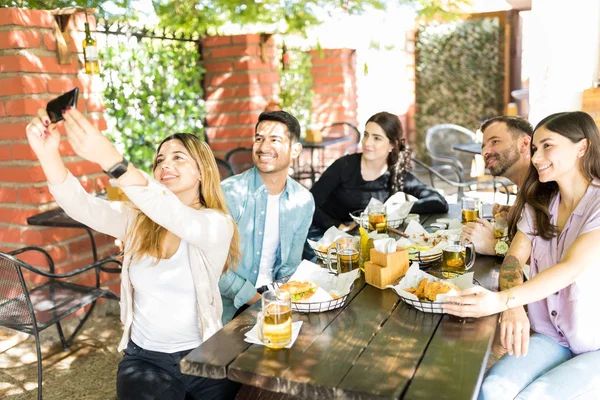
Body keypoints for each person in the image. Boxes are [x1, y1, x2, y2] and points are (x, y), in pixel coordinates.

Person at [25, 108, 241, 400]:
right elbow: (81, 206)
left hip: (205, 353)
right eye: (160, 160)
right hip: (146, 359)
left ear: (202, 171)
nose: (165, 164)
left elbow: (174, 214)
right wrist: (47, 154)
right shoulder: (135, 221)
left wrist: (112, 159)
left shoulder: (216, 224)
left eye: (178, 157)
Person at [443, 111, 600, 399]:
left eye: (548, 145)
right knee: (490, 390)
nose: (537, 157)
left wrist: (501, 300)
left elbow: (570, 268)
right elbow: (513, 261)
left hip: (596, 344)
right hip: (553, 336)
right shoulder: (539, 202)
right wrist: (513, 308)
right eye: (536, 148)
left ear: (582, 147)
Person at [218, 110, 315, 324]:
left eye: (274, 139)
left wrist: (285, 299)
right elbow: (214, 267)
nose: (263, 147)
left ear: (295, 149)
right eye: (259, 139)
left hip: (276, 299)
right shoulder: (229, 193)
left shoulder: (303, 200)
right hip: (230, 308)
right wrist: (260, 301)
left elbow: (290, 267)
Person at [309, 111, 448, 235]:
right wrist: (339, 227)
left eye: (377, 138)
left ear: (392, 145)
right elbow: (309, 203)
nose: (367, 143)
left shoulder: (396, 173)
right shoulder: (345, 165)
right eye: (366, 135)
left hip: (368, 239)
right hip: (327, 236)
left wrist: (397, 210)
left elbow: (439, 202)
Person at [462, 116, 533, 255]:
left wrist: (493, 245)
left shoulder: (544, 187)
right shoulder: (526, 185)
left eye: (495, 141)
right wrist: (517, 215)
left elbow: (549, 257)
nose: (485, 152)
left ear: (524, 144)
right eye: (483, 147)